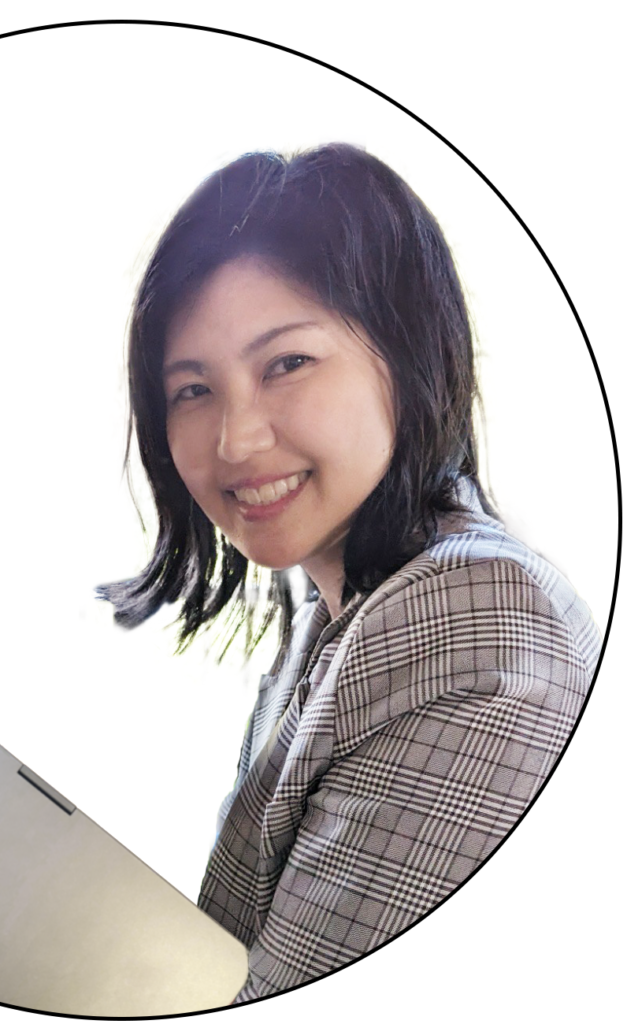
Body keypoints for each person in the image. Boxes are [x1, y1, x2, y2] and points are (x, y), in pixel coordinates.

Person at [98, 143, 600, 998]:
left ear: (408, 354)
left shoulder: (478, 619)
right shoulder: (334, 610)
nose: (235, 441)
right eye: (193, 390)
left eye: (287, 364)